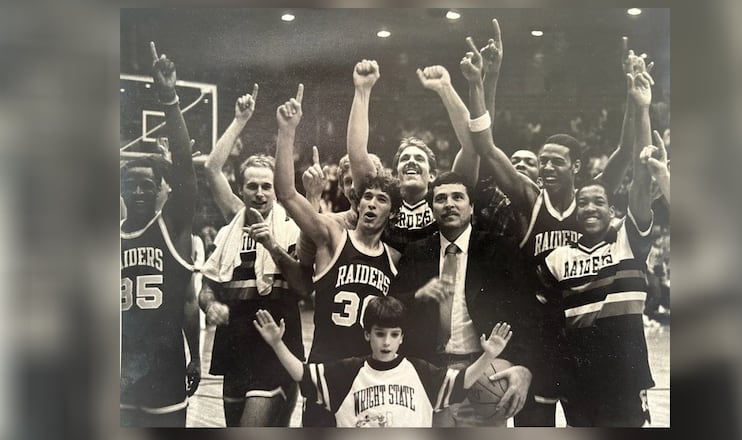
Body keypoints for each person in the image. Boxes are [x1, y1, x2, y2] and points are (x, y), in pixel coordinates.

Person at [460, 32, 652, 426]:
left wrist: (634, 102)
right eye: (542, 162)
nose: (545, 168)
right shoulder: (530, 199)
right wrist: (480, 85)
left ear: (576, 169)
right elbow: (486, 148)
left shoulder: (591, 201)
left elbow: (625, 152)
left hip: (587, 342)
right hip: (541, 341)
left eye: (554, 163)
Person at [271, 84, 403, 426]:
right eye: (366, 197)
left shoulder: (396, 254)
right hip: (326, 368)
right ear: (357, 201)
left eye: (381, 200)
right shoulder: (332, 235)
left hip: (372, 375)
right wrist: (287, 133)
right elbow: (286, 194)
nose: (371, 204)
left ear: (392, 212)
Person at [536, 70, 657, 427]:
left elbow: (641, 176)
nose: (589, 208)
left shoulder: (628, 241)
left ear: (613, 210)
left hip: (626, 374)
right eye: (583, 202)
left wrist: (642, 110)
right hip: (579, 378)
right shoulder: (556, 259)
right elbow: (545, 322)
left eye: (598, 202)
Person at [390, 172, 536, 427]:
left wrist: (525, 367)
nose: (449, 204)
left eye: (458, 197)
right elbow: (391, 308)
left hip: (484, 371)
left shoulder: (500, 250)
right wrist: (416, 296)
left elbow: (528, 314)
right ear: (432, 209)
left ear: (471, 207)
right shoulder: (417, 252)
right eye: (441, 199)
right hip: (432, 376)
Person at [199, 87, 306, 427]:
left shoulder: (292, 224)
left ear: (277, 189)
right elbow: (213, 169)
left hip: (276, 344)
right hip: (234, 344)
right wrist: (239, 120)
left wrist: (273, 244)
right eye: (251, 186)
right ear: (241, 190)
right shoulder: (234, 217)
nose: (259, 193)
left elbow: (304, 285)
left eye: (266, 186)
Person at [253, 296, 512, 427]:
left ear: (402, 338)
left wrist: (488, 355)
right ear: (367, 334)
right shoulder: (348, 371)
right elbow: (302, 374)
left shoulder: (420, 371)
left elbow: (460, 382)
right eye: (379, 334)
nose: (386, 342)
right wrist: (277, 343)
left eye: (393, 335)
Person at [120, 42, 200, 427]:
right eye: (130, 185)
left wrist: (169, 100)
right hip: (120, 367)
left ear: (158, 189)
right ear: (119, 190)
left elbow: (186, 174)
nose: (138, 191)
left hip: (164, 366)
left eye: (145, 185)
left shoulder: (171, 227)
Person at [347, 59, 443, 253]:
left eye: (419, 158)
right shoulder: (384, 200)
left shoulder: (442, 199)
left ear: (432, 175)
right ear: (395, 174)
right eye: (405, 159)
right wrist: (362, 91)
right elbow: (357, 154)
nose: (411, 162)